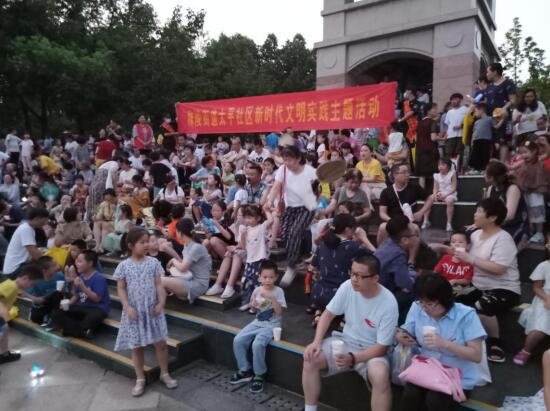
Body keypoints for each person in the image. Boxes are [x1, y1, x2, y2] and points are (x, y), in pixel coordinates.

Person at [302, 254, 398, 411]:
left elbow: (382, 347)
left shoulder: (388, 302)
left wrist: (353, 358)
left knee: (380, 376)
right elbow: (327, 314)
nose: (354, 279)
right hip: (345, 342)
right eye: (352, 273)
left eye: (359, 276)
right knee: (310, 358)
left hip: (372, 351)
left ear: (375, 278)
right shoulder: (347, 287)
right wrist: (316, 342)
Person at [396, 273, 486, 411]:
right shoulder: (417, 307)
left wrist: (445, 344)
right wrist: (401, 335)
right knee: (411, 393)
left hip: (456, 376)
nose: (424, 308)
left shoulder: (466, 315)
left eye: (430, 303)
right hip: (426, 370)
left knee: (436, 398)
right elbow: (407, 329)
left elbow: (476, 355)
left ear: (445, 299)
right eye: (421, 302)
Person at [453, 198, 521, 363]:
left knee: (480, 307)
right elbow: (465, 256)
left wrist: (470, 259)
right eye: (476, 210)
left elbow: (499, 269)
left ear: (492, 217)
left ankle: (494, 343)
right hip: (478, 285)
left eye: (479, 211)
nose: (475, 214)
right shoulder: (475, 234)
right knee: (450, 297)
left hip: (504, 288)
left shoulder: (503, 239)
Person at [113, 228, 177, 396]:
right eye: (142, 242)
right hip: (134, 311)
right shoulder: (123, 266)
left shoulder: (153, 263)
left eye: (147, 241)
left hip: (153, 309)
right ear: (130, 246)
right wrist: (127, 307)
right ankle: (140, 378)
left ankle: (164, 373)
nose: (146, 244)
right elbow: (121, 288)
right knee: (137, 347)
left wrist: (161, 303)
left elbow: (159, 284)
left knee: (161, 344)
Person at [230, 260, 286, 393]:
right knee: (238, 340)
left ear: (276, 277)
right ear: (259, 277)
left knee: (257, 344)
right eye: (265, 277)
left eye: (271, 277)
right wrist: (253, 305)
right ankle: (245, 369)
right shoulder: (257, 290)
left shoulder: (279, 291)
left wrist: (272, 298)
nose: (268, 280)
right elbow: (254, 308)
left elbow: (280, 312)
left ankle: (259, 374)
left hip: (272, 325)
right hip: (257, 323)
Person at [266, 145, 318, 287]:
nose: (286, 162)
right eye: (285, 159)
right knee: (285, 235)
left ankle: (291, 266)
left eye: (289, 159)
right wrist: (269, 200)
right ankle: (298, 260)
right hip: (289, 207)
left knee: (295, 233)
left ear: (298, 158)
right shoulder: (282, 170)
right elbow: (276, 187)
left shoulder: (310, 172)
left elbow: (316, 193)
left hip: (306, 207)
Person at [310, 214, 374, 327]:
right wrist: (364, 238)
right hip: (338, 297)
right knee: (364, 280)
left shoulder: (323, 244)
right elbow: (377, 258)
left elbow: (313, 266)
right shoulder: (352, 247)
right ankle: (345, 320)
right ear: (348, 229)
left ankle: (319, 313)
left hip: (317, 294)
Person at [377, 164, 433, 265]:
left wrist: (421, 212)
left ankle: (411, 261)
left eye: (408, 172)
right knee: (382, 227)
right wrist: (391, 221)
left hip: (408, 221)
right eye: (404, 172)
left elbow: (430, 198)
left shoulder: (414, 187)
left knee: (414, 229)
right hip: (393, 222)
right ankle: (380, 256)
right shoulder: (386, 192)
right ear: (395, 175)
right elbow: (382, 212)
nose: (407, 174)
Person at [51, 250, 110, 338]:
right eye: (76, 261)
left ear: (90, 263)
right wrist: (68, 303)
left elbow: (97, 299)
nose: (76, 263)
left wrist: (83, 287)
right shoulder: (81, 276)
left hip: (97, 308)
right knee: (56, 313)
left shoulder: (99, 278)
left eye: (79, 261)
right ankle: (81, 331)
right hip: (82, 307)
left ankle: (72, 330)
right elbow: (77, 295)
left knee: (93, 317)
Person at [374, 216, 418, 323]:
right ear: (404, 240)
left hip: (374, 288)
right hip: (381, 295)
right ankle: (401, 326)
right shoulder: (398, 255)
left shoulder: (386, 243)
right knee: (413, 295)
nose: (416, 238)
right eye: (414, 236)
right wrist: (413, 277)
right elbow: (404, 284)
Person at [515, 236, 550, 365]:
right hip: (544, 299)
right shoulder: (544, 265)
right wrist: (546, 298)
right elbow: (536, 288)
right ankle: (526, 350)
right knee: (541, 325)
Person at [0, 264, 43, 363]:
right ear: (25, 278)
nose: (31, 286)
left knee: (4, 330)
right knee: (2, 332)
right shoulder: (11, 286)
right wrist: (3, 310)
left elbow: (23, 293)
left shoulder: (15, 286)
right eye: (32, 284)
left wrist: (35, 299)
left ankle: (4, 354)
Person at [161, 218, 212, 303]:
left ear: (180, 232)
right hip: (189, 279)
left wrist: (173, 260)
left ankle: (156, 307)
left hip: (198, 285)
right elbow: (185, 266)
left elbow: (183, 268)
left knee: (160, 281)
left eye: (176, 231)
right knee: (159, 280)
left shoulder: (196, 247)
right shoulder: (187, 245)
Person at [235, 205, 273, 310]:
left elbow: (270, 221)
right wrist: (243, 235)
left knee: (258, 283)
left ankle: (262, 305)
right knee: (246, 282)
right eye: (246, 217)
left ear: (258, 218)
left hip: (259, 260)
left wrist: (266, 210)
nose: (247, 220)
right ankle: (248, 302)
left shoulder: (261, 228)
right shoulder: (245, 230)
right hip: (249, 260)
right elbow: (243, 247)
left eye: (250, 217)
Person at [513, 137, 550, 243]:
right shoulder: (522, 162)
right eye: (521, 153)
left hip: (536, 191)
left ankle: (539, 233)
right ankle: (532, 231)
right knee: (529, 211)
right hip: (526, 190)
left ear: (534, 152)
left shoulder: (539, 159)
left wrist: (545, 144)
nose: (523, 155)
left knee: (537, 210)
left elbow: (547, 154)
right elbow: (512, 167)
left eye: (526, 152)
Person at [484, 160, 527, 244]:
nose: (483, 175)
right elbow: (487, 208)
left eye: (485, 173)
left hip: (514, 225)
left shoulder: (512, 188)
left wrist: (490, 223)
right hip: (496, 224)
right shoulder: (491, 189)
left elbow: (509, 215)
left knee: (500, 241)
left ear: (491, 177)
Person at [3, 207, 49, 275]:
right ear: (36, 219)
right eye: (44, 221)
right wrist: (49, 264)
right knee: (44, 271)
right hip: (15, 269)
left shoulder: (27, 227)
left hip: (16, 266)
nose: (45, 223)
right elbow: (34, 253)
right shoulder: (26, 229)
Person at [485, 63, 517, 161]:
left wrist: (503, 109)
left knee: (504, 142)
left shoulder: (508, 83)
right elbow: (486, 102)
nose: (486, 74)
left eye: (488, 72)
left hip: (505, 118)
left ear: (495, 72)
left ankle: (502, 164)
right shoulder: (489, 87)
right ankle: (491, 164)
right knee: (491, 141)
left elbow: (513, 100)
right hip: (491, 119)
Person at [427, 158, 457, 232]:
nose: (440, 166)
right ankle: (426, 220)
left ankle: (449, 223)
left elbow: (454, 188)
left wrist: (445, 195)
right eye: (439, 165)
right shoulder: (436, 175)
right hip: (440, 193)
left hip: (449, 193)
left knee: (449, 201)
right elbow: (435, 188)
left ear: (448, 166)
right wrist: (435, 195)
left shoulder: (452, 174)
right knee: (429, 199)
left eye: (443, 164)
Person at [414, 103, 439, 188]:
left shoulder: (419, 123)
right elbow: (433, 138)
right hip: (431, 151)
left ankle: (421, 193)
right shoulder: (432, 122)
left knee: (422, 175)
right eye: (434, 109)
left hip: (420, 151)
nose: (436, 111)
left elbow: (416, 139)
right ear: (428, 111)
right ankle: (435, 192)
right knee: (434, 174)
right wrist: (442, 138)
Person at [468, 103, 493, 172]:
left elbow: (495, 127)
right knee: (475, 154)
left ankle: (484, 168)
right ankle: (475, 168)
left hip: (486, 139)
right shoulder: (476, 122)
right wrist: (472, 140)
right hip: (477, 140)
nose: (475, 114)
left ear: (481, 110)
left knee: (485, 154)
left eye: (476, 111)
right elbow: (474, 132)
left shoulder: (490, 119)